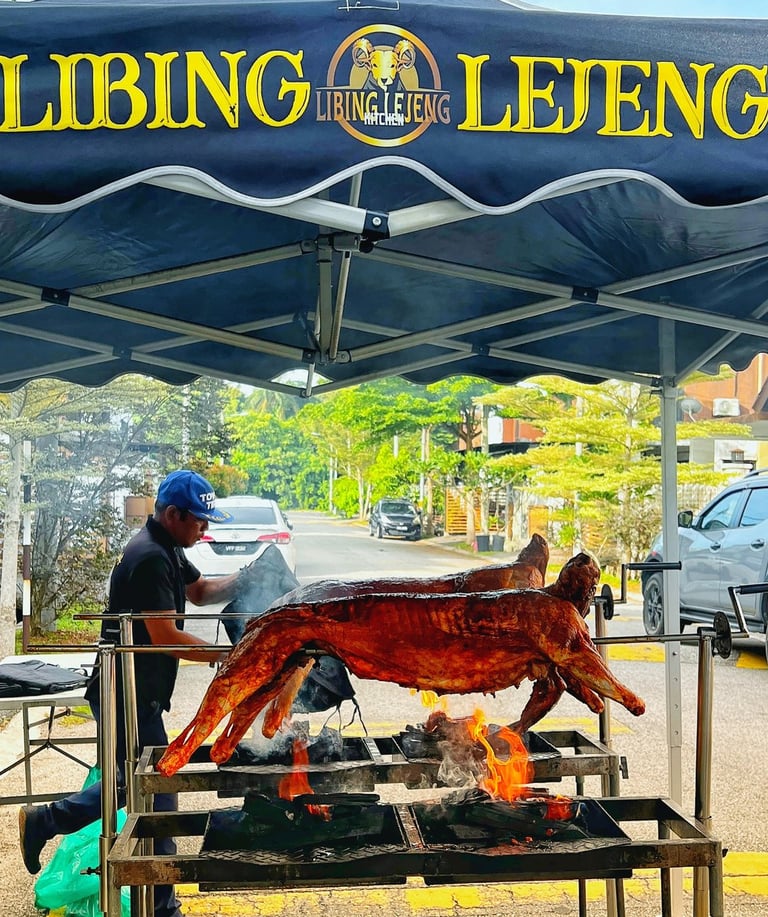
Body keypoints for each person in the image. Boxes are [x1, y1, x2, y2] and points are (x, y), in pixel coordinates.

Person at [19, 469, 247, 917]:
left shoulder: (168, 548)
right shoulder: (150, 557)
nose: (205, 529)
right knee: (150, 788)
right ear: (173, 513)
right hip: (124, 692)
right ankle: (52, 823)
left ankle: (52, 824)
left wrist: (250, 576)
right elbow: (164, 634)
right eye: (200, 520)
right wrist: (229, 655)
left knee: (147, 787)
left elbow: (200, 592)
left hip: (141, 693)